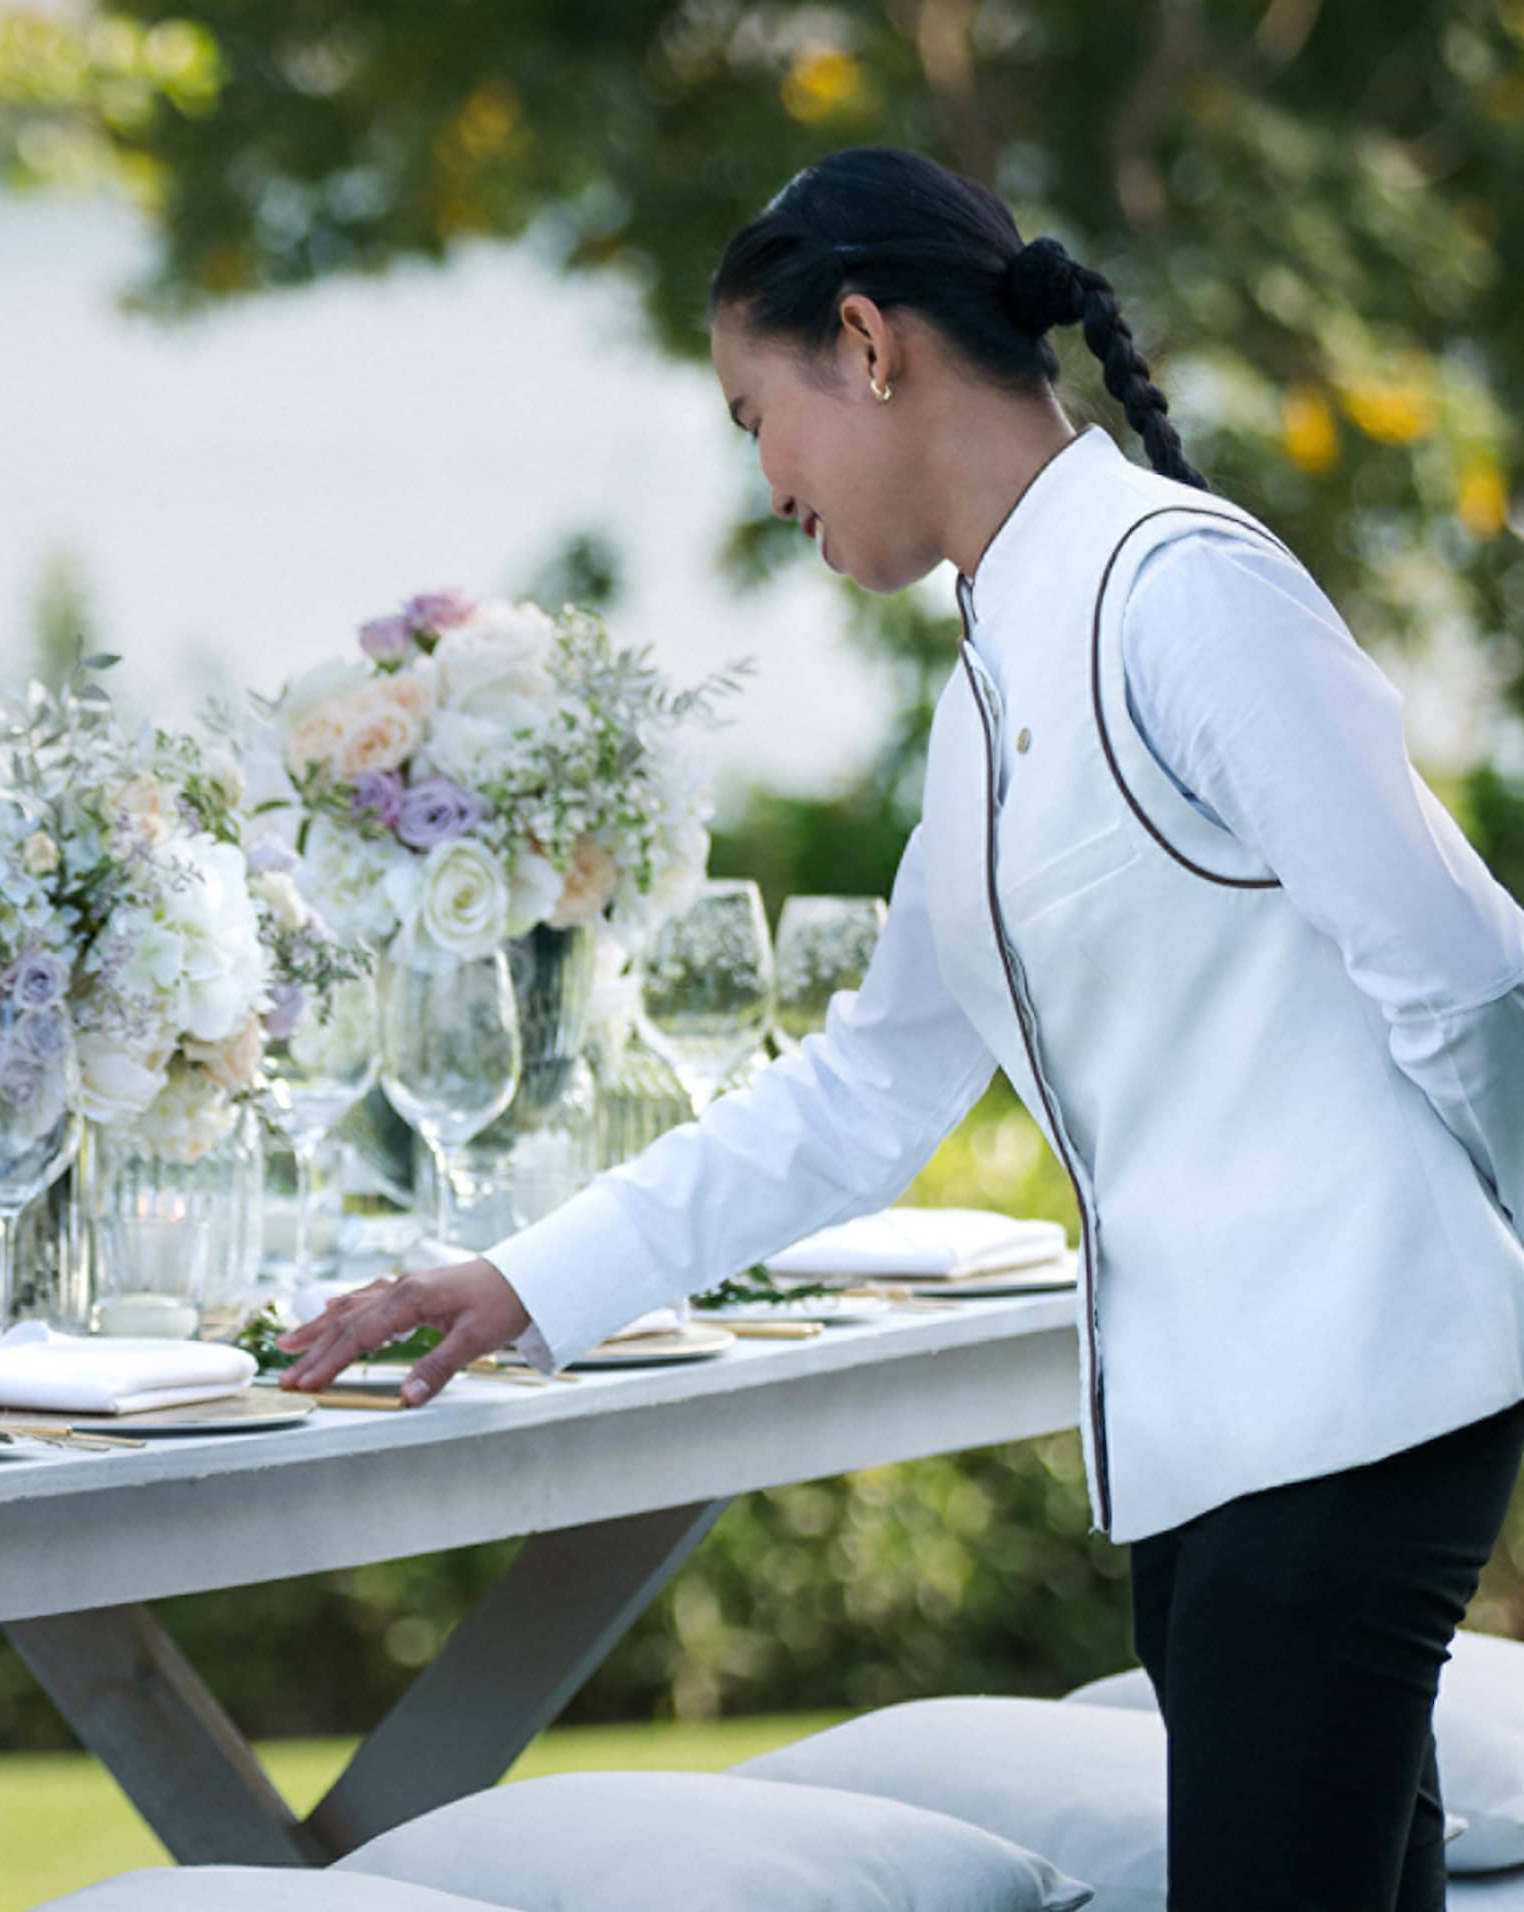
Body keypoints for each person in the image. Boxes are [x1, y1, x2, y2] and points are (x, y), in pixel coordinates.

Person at [278, 146, 1524, 1908]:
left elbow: (1465, 972)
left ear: (864, 343)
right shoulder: (1002, 663)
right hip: (1223, 1452)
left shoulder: (1178, 590)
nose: (764, 479)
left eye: (747, 415)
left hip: (1354, 1413)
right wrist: (522, 1282)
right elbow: (868, 1085)